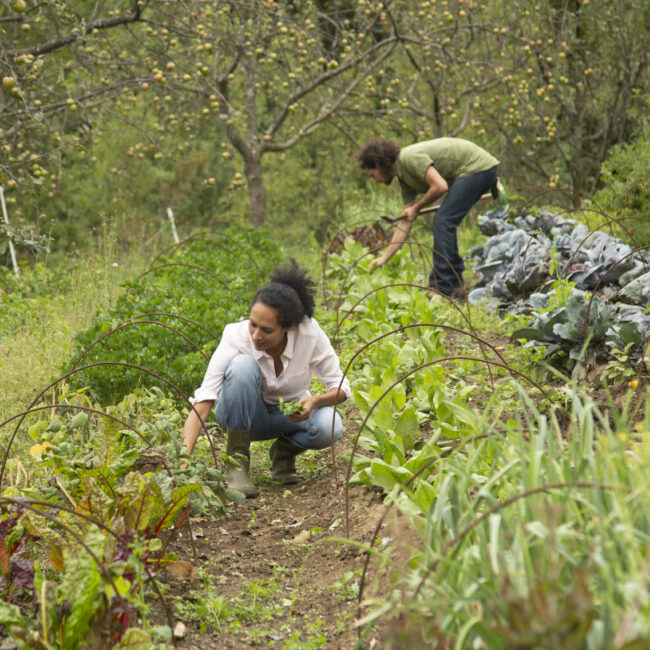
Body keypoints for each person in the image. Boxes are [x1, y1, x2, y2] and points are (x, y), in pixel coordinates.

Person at [181, 260, 351, 498]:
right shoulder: (236, 335)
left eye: (267, 330)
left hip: (286, 414)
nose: (256, 336)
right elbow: (205, 398)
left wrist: (315, 401)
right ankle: (237, 465)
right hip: (241, 416)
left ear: (289, 327)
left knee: (329, 425)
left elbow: (341, 386)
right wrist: (182, 462)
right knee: (242, 365)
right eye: (253, 324)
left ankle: (283, 454)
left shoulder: (309, 334)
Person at [357, 137, 501, 298]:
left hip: (478, 167)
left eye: (373, 174)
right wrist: (384, 258)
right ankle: (456, 285)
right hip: (473, 171)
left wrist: (416, 208)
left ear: (380, 164)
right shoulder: (404, 181)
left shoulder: (409, 158)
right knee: (445, 220)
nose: (375, 181)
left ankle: (441, 288)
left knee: (443, 220)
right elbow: (405, 223)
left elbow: (440, 186)